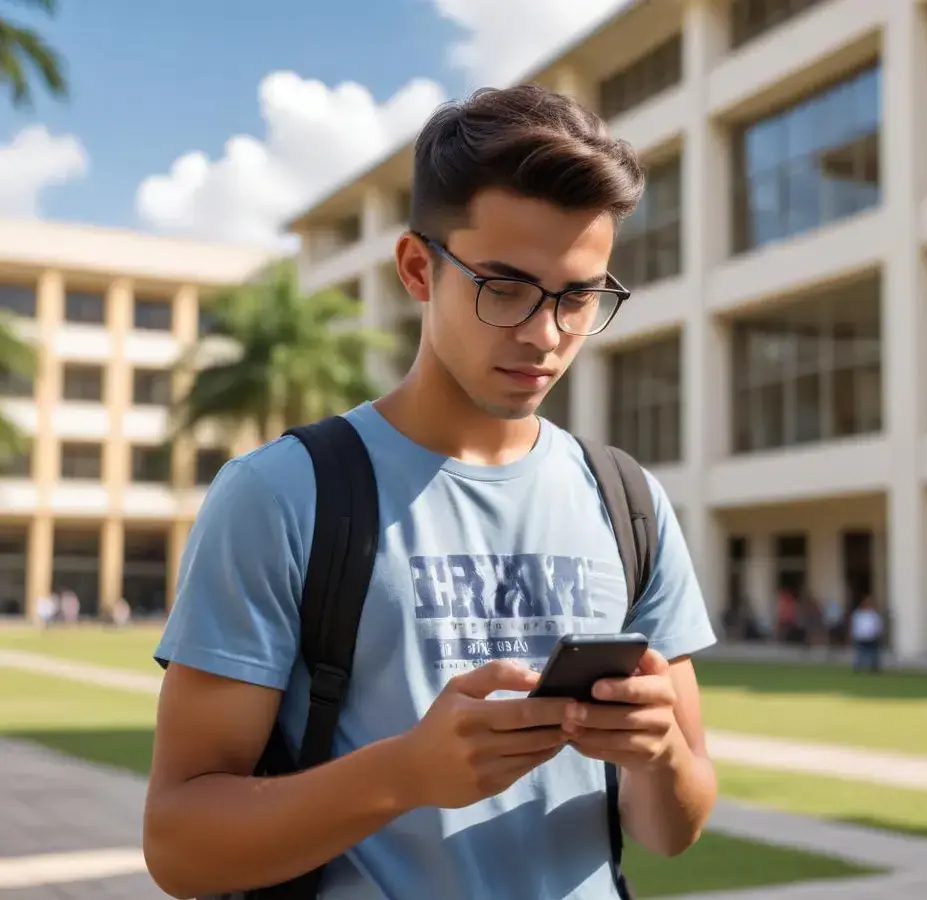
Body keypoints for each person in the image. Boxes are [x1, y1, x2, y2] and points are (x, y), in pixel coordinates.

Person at [143, 84, 719, 900]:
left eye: (579, 297)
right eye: (506, 288)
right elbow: (179, 847)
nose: (544, 334)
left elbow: (672, 829)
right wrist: (406, 773)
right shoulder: (281, 495)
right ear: (419, 269)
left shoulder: (628, 502)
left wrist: (659, 754)